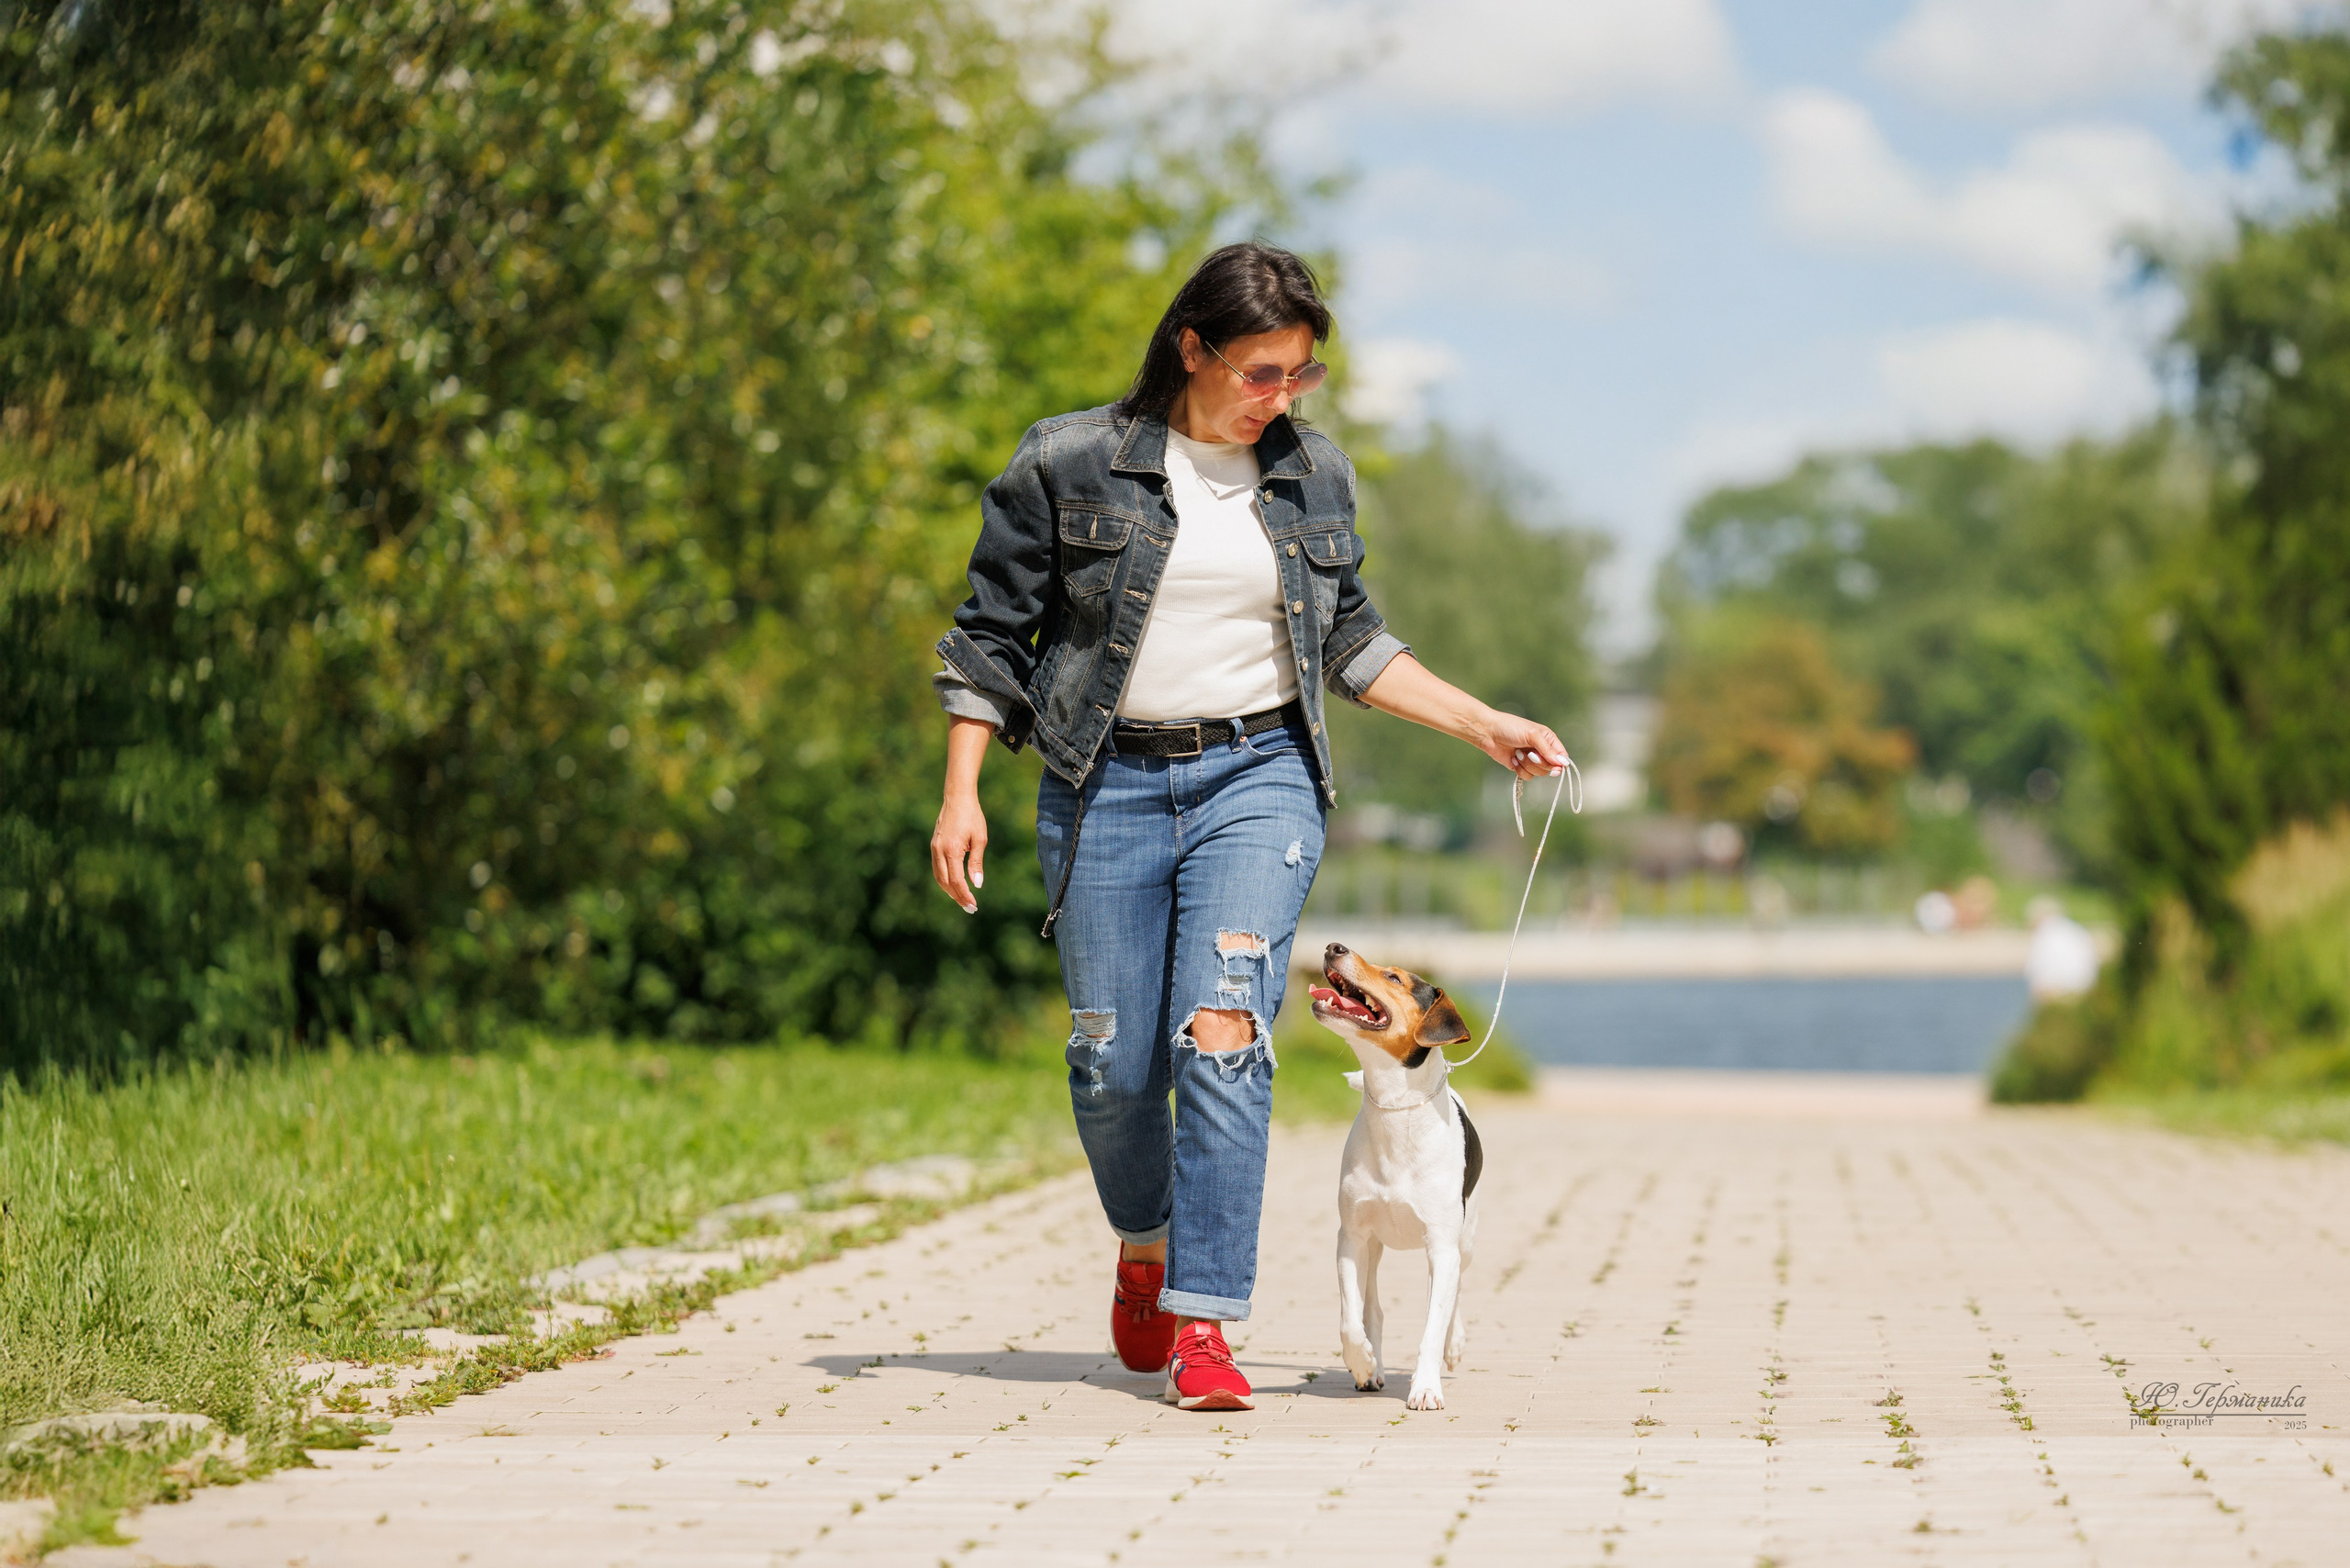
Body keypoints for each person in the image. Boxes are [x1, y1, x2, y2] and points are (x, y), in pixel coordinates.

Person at [926, 241, 1567, 1412]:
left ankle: (1206, 1322)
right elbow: (988, 635)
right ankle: (1147, 1238)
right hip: (1101, 778)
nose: (1282, 397)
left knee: (1223, 1030)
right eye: (1263, 372)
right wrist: (962, 787)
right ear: (1192, 348)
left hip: (1257, 777)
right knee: (1114, 1062)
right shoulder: (1067, 461)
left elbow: (1351, 637)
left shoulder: (1313, 474)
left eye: (1300, 376)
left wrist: (1482, 722)